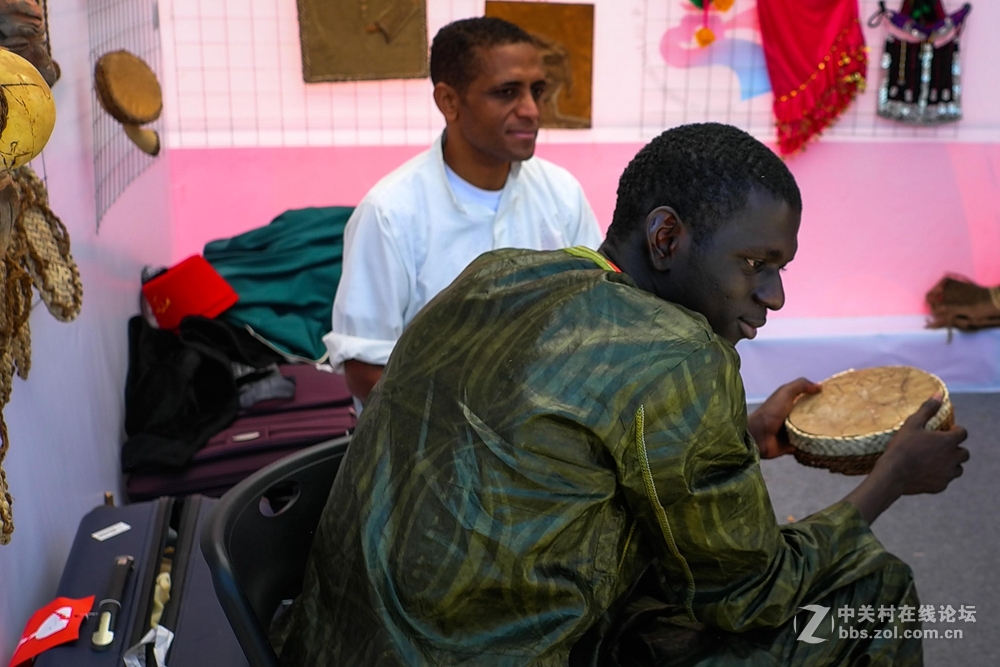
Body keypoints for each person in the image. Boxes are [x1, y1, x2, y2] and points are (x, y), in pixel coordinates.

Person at [281, 123, 970, 666]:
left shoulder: (496, 274)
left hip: (336, 642)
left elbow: (559, 450)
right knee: (871, 587)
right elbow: (751, 593)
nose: (775, 295)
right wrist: (890, 480)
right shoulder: (681, 352)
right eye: (755, 264)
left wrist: (742, 434)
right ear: (666, 236)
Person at [325, 17, 602, 404]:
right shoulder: (390, 212)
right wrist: (476, 425)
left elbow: (599, 318)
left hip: (544, 431)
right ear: (449, 102)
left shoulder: (561, 194)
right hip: (427, 445)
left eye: (536, 91)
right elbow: (364, 368)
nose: (532, 110)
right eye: (507, 92)